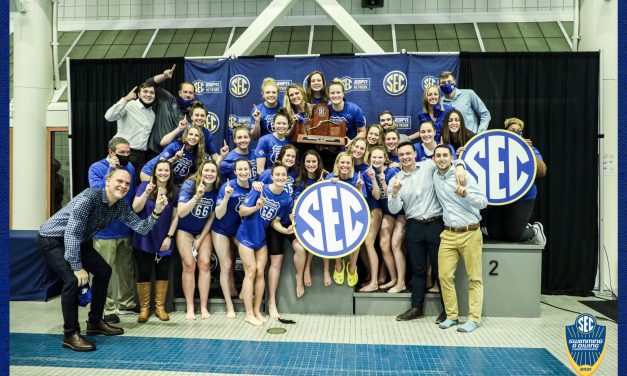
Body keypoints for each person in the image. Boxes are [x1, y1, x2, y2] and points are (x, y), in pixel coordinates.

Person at [37, 168, 167, 352]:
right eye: (119, 181)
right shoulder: (89, 198)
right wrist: (77, 267)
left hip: (80, 240)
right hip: (53, 239)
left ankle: (95, 321)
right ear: (107, 181)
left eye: (127, 183)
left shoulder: (120, 205)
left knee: (104, 271)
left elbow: (141, 227)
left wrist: (156, 212)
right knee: (72, 280)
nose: (123, 186)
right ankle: (70, 334)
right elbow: (71, 233)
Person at [387, 141, 466, 323]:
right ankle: (417, 308)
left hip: (435, 224)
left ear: (415, 154)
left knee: (441, 270)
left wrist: (460, 166)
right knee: (418, 269)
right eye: (402, 155)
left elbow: (447, 161)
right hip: (413, 225)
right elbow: (393, 209)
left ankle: (448, 311)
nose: (406, 157)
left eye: (408, 153)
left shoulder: (428, 166)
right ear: (398, 158)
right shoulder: (396, 179)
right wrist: (395, 194)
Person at [432, 144, 488, 333]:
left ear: (451, 158)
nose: (441, 159)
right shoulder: (434, 176)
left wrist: (466, 194)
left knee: (475, 278)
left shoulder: (463, 176)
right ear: (434, 159)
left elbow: (483, 202)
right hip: (448, 234)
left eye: (445, 155)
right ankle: (452, 316)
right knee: (444, 276)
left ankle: (474, 319)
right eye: (438, 156)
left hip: (470, 233)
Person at [87, 137, 137, 324]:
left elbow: (129, 196)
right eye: (122, 153)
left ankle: (126, 303)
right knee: (103, 271)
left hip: (125, 228)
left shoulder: (130, 168)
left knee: (126, 270)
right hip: (104, 231)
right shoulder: (97, 168)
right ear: (111, 152)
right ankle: (106, 309)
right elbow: (98, 193)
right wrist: (112, 170)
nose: (126, 156)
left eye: (128, 152)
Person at [236, 164, 294, 326]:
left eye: (284, 175)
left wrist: (286, 230)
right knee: (251, 271)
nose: (281, 177)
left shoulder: (286, 199)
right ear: (272, 176)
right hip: (246, 236)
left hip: (261, 238)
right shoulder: (260, 189)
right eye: (278, 174)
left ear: (287, 178)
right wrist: (256, 207)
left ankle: (257, 311)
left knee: (260, 272)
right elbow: (242, 211)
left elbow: (275, 222)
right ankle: (248, 314)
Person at [484, 118, 547, 244]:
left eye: (519, 131)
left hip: (523, 196)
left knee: (514, 235)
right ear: (505, 133)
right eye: (512, 130)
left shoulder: (529, 149)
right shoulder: (496, 149)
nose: (516, 133)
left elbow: (542, 172)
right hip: (501, 196)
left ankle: (534, 229)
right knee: (495, 234)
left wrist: (529, 151)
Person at [132, 160, 179, 323]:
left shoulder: (174, 191)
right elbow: (136, 208)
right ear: (154, 172)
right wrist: (146, 193)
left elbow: (175, 217)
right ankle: (144, 308)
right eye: (160, 170)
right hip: (144, 236)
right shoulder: (145, 186)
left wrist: (169, 237)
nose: (163, 173)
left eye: (166, 170)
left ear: (170, 173)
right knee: (144, 271)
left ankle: (160, 307)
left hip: (164, 238)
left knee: (163, 272)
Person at [254, 145, 298, 318]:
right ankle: (270, 302)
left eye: (293, 156)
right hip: (270, 224)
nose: (290, 158)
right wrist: (255, 182)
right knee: (272, 262)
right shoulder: (268, 173)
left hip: (285, 221)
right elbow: (257, 188)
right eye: (287, 155)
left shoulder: (294, 175)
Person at [177, 160, 221, 320]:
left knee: (205, 264)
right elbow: (181, 212)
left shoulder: (216, 190)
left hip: (203, 231)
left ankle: (203, 307)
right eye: (206, 171)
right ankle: (190, 307)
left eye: (213, 171)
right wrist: (197, 196)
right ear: (201, 172)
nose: (209, 174)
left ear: (216, 175)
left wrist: (200, 239)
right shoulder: (190, 185)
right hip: (185, 229)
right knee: (189, 265)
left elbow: (211, 217)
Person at [212, 158, 253, 319]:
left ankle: (243, 291)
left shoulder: (252, 187)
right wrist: (227, 197)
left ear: (250, 171)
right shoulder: (227, 187)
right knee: (227, 265)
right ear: (235, 172)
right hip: (221, 229)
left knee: (248, 261)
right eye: (240, 170)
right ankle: (229, 306)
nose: (243, 172)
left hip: (238, 230)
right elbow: (219, 214)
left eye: (246, 169)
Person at [326, 152, 367, 288]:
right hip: (335, 216)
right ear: (337, 164)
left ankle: (352, 265)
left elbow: (362, 204)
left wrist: (359, 188)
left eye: (348, 163)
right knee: (335, 230)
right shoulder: (330, 177)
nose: (345, 165)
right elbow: (324, 201)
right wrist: (330, 185)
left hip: (353, 216)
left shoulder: (357, 178)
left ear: (352, 164)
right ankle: (339, 262)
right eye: (342, 162)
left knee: (358, 236)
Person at [292, 150, 328, 292]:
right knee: (312, 235)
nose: (311, 164)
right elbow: (296, 203)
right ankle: (302, 272)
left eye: (314, 161)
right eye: (308, 161)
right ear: (303, 164)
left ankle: (318, 269)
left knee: (322, 232)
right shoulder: (299, 181)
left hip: (321, 219)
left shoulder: (325, 176)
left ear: (318, 163)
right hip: (303, 220)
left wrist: (328, 183)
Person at [104, 83, 156, 180]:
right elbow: (109, 116)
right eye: (145, 91)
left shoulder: (152, 114)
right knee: (119, 183)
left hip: (141, 156)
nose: (148, 94)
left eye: (152, 92)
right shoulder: (128, 105)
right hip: (124, 153)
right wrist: (126, 99)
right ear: (139, 94)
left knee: (135, 186)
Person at [144, 64, 196, 156]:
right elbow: (149, 84)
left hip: (173, 154)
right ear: (179, 93)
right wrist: (164, 76)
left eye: (190, 93)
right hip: (154, 152)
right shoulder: (168, 99)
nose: (188, 95)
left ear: (194, 96)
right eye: (185, 92)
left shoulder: (193, 116)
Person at [160, 102, 229, 166]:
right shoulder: (183, 127)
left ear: (205, 118)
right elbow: (163, 143)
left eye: (202, 116)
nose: (199, 118)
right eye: (196, 115)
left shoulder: (207, 134)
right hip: (167, 162)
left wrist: (224, 160)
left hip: (187, 167)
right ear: (191, 117)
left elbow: (214, 155)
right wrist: (179, 129)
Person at [141, 124, 206, 185]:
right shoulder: (175, 146)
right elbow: (160, 165)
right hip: (150, 171)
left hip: (169, 180)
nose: (193, 137)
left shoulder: (197, 155)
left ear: (200, 139)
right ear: (186, 136)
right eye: (191, 134)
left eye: (196, 135)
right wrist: (175, 158)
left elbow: (192, 174)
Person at [255, 108, 292, 176]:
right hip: (269, 181)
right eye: (278, 123)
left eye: (284, 123)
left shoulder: (290, 143)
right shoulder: (264, 140)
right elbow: (260, 170)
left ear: (288, 125)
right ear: (273, 125)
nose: (281, 126)